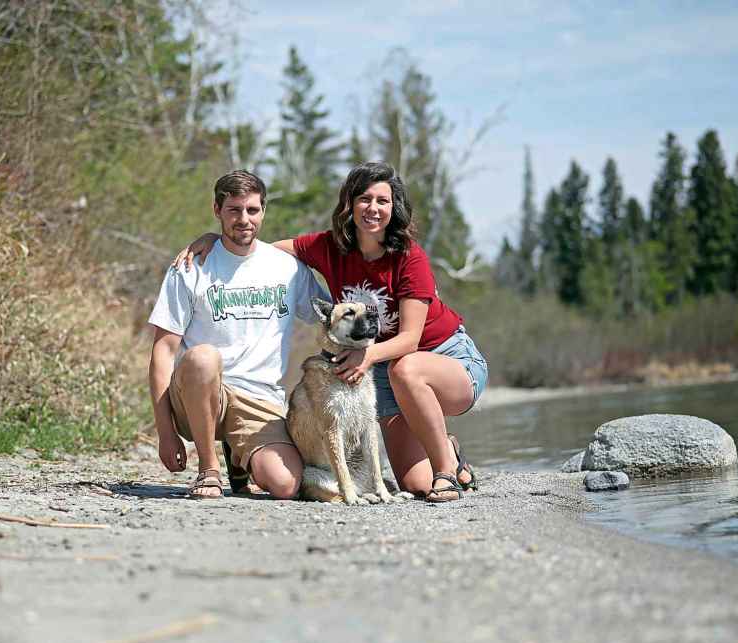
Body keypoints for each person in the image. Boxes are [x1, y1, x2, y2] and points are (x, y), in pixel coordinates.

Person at [176, 162, 488, 502]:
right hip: (385, 369)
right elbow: (260, 252)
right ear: (350, 204)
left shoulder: (409, 258)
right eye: (365, 199)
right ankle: (448, 450)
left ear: (393, 207)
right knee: (415, 484)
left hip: (446, 357)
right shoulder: (330, 247)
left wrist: (364, 356)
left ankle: (446, 473)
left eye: (383, 201)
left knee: (407, 368)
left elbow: (410, 341)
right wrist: (215, 240)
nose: (373, 208)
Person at [147, 170, 326, 499]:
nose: (244, 219)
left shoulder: (287, 269)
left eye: (252, 210)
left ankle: (240, 460)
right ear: (217, 210)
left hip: (259, 399)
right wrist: (165, 432)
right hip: (199, 394)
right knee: (203, 358)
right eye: (233, 210)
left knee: (285, 485)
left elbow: (330, 317)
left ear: (263, 211)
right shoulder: (191, 267)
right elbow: (162, 351)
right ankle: (209, 468)